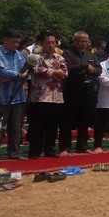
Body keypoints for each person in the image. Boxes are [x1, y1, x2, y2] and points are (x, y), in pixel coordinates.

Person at [0, 28, 28, 162]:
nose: (16, 45)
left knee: (15, 127)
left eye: (18, 42)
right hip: (0, 97)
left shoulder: (20, 55)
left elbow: (25, 73)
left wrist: (14, 75)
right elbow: (3, 72)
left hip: (18, 96)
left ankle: (14, 152)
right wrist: (17, 75)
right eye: (13, 41)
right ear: (5, 40)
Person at [27, 29, 67, 159]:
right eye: (48, 42)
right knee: (37, 125)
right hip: (40, 96)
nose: (51, 45)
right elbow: (38, 70)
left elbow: (65, 72)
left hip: (56, 97)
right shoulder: (36, 57)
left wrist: (55, 72)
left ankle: (49, 149)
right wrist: (55, 72)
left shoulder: (60, 57)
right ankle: (35, 151)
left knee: (52, 125)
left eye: (53, 42)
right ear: (41, 43)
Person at [62, 31, 100, 155]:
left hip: (88, 91)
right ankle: (65, 147)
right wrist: (83, 66)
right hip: (72, 91)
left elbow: (99, 70)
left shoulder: (91, 55)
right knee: (68, 121)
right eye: (81, 41)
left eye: (86, 41)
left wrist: (92, 69)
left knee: (85, 120)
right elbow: (66, 68)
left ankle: (82, 146)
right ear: (75, 41)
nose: (84, 44)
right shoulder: (67, 54)